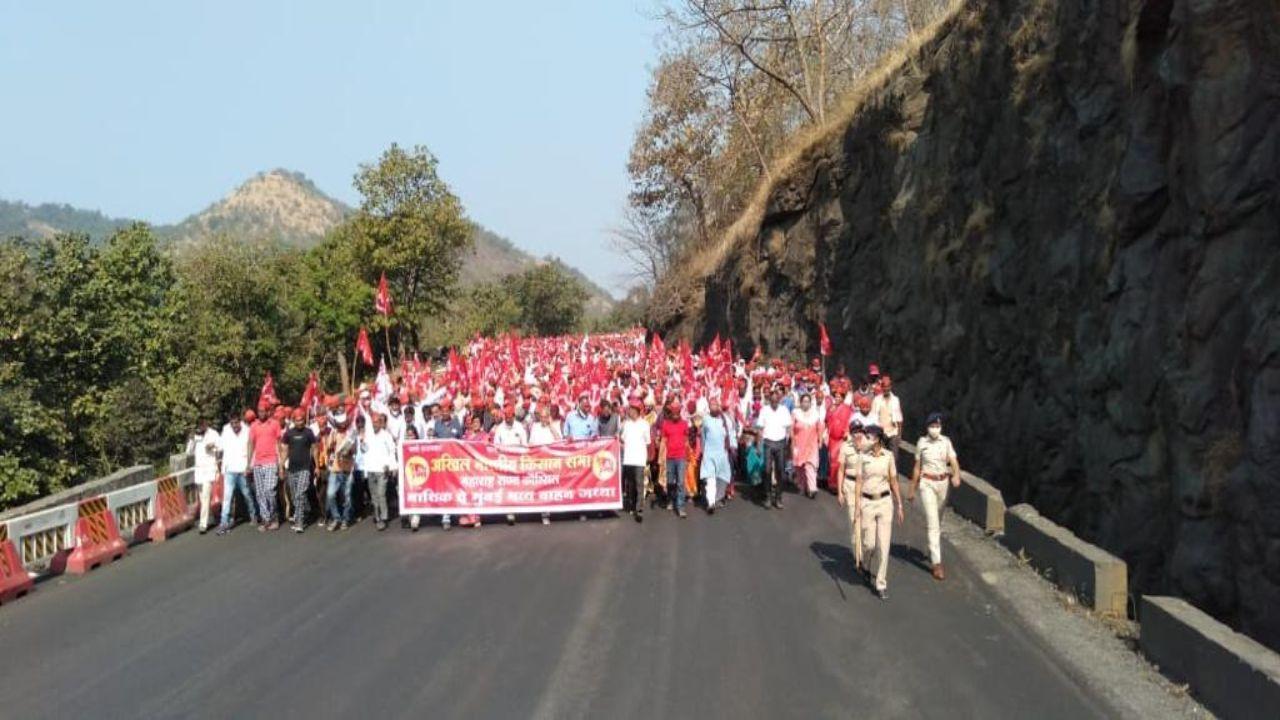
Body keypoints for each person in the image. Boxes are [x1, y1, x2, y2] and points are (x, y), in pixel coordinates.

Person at [848, 425, 903, 600]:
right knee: (869, 543)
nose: (866, 438)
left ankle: (881, 583)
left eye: (869, 436)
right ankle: (866, 564)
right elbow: (858, 482)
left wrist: (900, 504)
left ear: (878, 438)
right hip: (867, 503)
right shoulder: (862, 457)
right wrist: (857, 507)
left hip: (885, 502)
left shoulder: (888, 457)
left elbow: (894, 480)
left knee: (883, 545)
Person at [908, 412, 962, 580]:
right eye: (932, 426)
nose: (935, 429)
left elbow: (953, 461)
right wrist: (912, 488)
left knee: (938, 520)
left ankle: (933, 546)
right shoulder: (921, 443)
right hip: (927, 483)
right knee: (932, 522)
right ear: (927, 427)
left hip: (943, 483)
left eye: (937, 426)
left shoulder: (945, 442)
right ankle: (937, 563)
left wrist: (956, 475)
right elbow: (917, 467)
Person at [417, 400, 464, 532]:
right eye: (442, 410)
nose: (444, 412)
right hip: (440, 463)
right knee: (444, 489)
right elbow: (433, 442)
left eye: (446, 410)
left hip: (454, 461)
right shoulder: (436, 424)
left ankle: (459, 512)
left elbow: (461, 440)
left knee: (455, 487)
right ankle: (445, 517)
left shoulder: (456, 423)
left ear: (450, 411)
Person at [216, 411, 258, 535]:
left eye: (236, 422)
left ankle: (253, 515)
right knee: (227, 497)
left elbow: (252, 449)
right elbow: (220, 449)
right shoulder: (226, 430)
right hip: (229, 469)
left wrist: (249, 466)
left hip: (242, 468)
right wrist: (220, 466)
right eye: (232, 423)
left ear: (240, 421)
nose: (234, 425)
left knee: (247, 494)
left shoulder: (247, 430)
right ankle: (224, 522)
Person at [280, 409, 318, 533]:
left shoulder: (309, 433)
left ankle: (300, 523)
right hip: (292, 469)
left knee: (300, 495)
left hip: (305, 468)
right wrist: (281, 465)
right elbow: (285, 450)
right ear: (293, 421)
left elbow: (314, 449)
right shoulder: (289, 433)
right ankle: (304, 512)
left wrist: (316, 465)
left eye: (301, 420)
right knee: (295, 496)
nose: (299, 422)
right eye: (297, 420)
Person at [754, 388, 793, 509]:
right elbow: (760, 428)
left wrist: (788, 444)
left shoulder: (784, 410)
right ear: (769, 400)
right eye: (772, 401)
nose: (774, 403)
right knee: (767, 470)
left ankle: (778, 497)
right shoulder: (764, 410)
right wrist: (758, 445)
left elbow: (788, 428)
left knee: (780, 470)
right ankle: (768, 496)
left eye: (776, 401)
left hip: (780, 443)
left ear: (780, 400)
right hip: (768, 443)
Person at [247, 406, 284, 531]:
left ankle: (274, 517)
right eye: (259, 411)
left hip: (271, 462)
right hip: (258, 463)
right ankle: (266, 519)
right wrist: (248, 464)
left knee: (270, 491)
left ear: (268, 411)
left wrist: (280, 466)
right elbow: (251, 444)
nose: (261, 413)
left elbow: (279, 445)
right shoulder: (254, 426)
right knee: (260, 493)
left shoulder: (274, 424)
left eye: (264, 411)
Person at [491, 406, 527, 525]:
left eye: (510, 417)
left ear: (513, 416)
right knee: (507, 486)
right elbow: (496, 446)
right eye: (506, 417)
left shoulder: (519, 427)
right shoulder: (500, 428)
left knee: (518, 486)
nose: (508, 419)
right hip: (505, 461)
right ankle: (509, 512)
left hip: (517, 460)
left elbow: (524, 444)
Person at [363, 412, 397, 531]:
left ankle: (384, 517)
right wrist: (362, 443)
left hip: (382, 469)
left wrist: (392, 466)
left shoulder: (386, 435)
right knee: (374, 496)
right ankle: (377, 516)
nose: (375, 425)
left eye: (377, 422)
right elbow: (364, 451)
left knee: (381, 494)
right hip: (371, 469)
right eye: (373, 423)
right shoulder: (368, 435)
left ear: (381, 423)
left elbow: (392, 451)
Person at [323, 410, 357, 531]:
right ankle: (336, 518)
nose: (342, 425)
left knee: (346, 496)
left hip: (347, 469)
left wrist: (348, 450)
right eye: (340, 423)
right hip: (335, 469)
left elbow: (354, 450)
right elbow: (328, 448)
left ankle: (345, 519)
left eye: (343, 423)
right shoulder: (333, 432)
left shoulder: (352, 433)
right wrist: (330, 446)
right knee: (330, 494)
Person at [656, 400, 691, 518]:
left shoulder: (684, 424)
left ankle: (680, 507)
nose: (675, 415)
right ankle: (670, 500)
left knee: (680, 482)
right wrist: (661, 457)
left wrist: (687, 456)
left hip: (681, 457)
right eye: (673, 413)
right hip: (669, 457)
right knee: (670, 482)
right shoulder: (665, 424)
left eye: (677, 412)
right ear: (670, 413)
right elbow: (664, 441)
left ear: (680, 412)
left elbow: (686, 440)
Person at [187, 418, 221, 534]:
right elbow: (189, 453)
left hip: (209, 469)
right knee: (203, 499)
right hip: (199, 471)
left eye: (203, 424)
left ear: (206, 423)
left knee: (206, 497)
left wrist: (213, 447)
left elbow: (221, 447)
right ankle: (211, 517)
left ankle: (203, 524)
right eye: (199, 424)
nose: (201, 426)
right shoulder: (196, 436)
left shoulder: (213, 434)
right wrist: (191, 440)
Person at [699, 399, 733, 515]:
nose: (713, 407)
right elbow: (702, 436)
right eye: (711, 405)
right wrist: (703, 450)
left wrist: (730, 447)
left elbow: (729, 434)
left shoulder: (724, 419)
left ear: (718, 406)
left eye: (715, 405)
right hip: (709, 453)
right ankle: (711, 502)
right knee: (710, 479)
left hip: (722, 453)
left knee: (722, 477)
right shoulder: (705, 420)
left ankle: (718, 498)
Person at [619, 401, 650, 523]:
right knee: (630, 485)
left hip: (639, 459)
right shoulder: (626, 424)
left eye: (632, 409)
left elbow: (648, 442)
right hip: (628, 458)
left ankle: (639, 509)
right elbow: (622, 439)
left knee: (639, 483)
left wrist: (647, 457)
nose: (629, 411)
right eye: (629, 409)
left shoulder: (645, 424)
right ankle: (632, 505)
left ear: (637, 411)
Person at [790, 393, 824, 499]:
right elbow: (791, 429)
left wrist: (820, 441)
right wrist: (792, 442)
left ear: (810, 403)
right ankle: (801, 486)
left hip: (811, 445)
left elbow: (820, 428)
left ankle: (812, 488)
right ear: (800, 403)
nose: (806, 404)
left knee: (810, 466)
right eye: (804, 401)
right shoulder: (795, 413)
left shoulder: (815, 414)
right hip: (798, 444)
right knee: (799, 467)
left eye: (808, 402)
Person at [870, 375, 904, 457]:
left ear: (890, 387)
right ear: (881, 387)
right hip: (880, 433)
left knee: (893, 458)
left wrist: (899, 435)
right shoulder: (876, 400)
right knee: (880, 458)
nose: (886, 389)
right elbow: (873, 418)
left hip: (893, 433)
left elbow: (899, 418)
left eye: (888, 386)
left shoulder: (895, 400)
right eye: (884, 387)